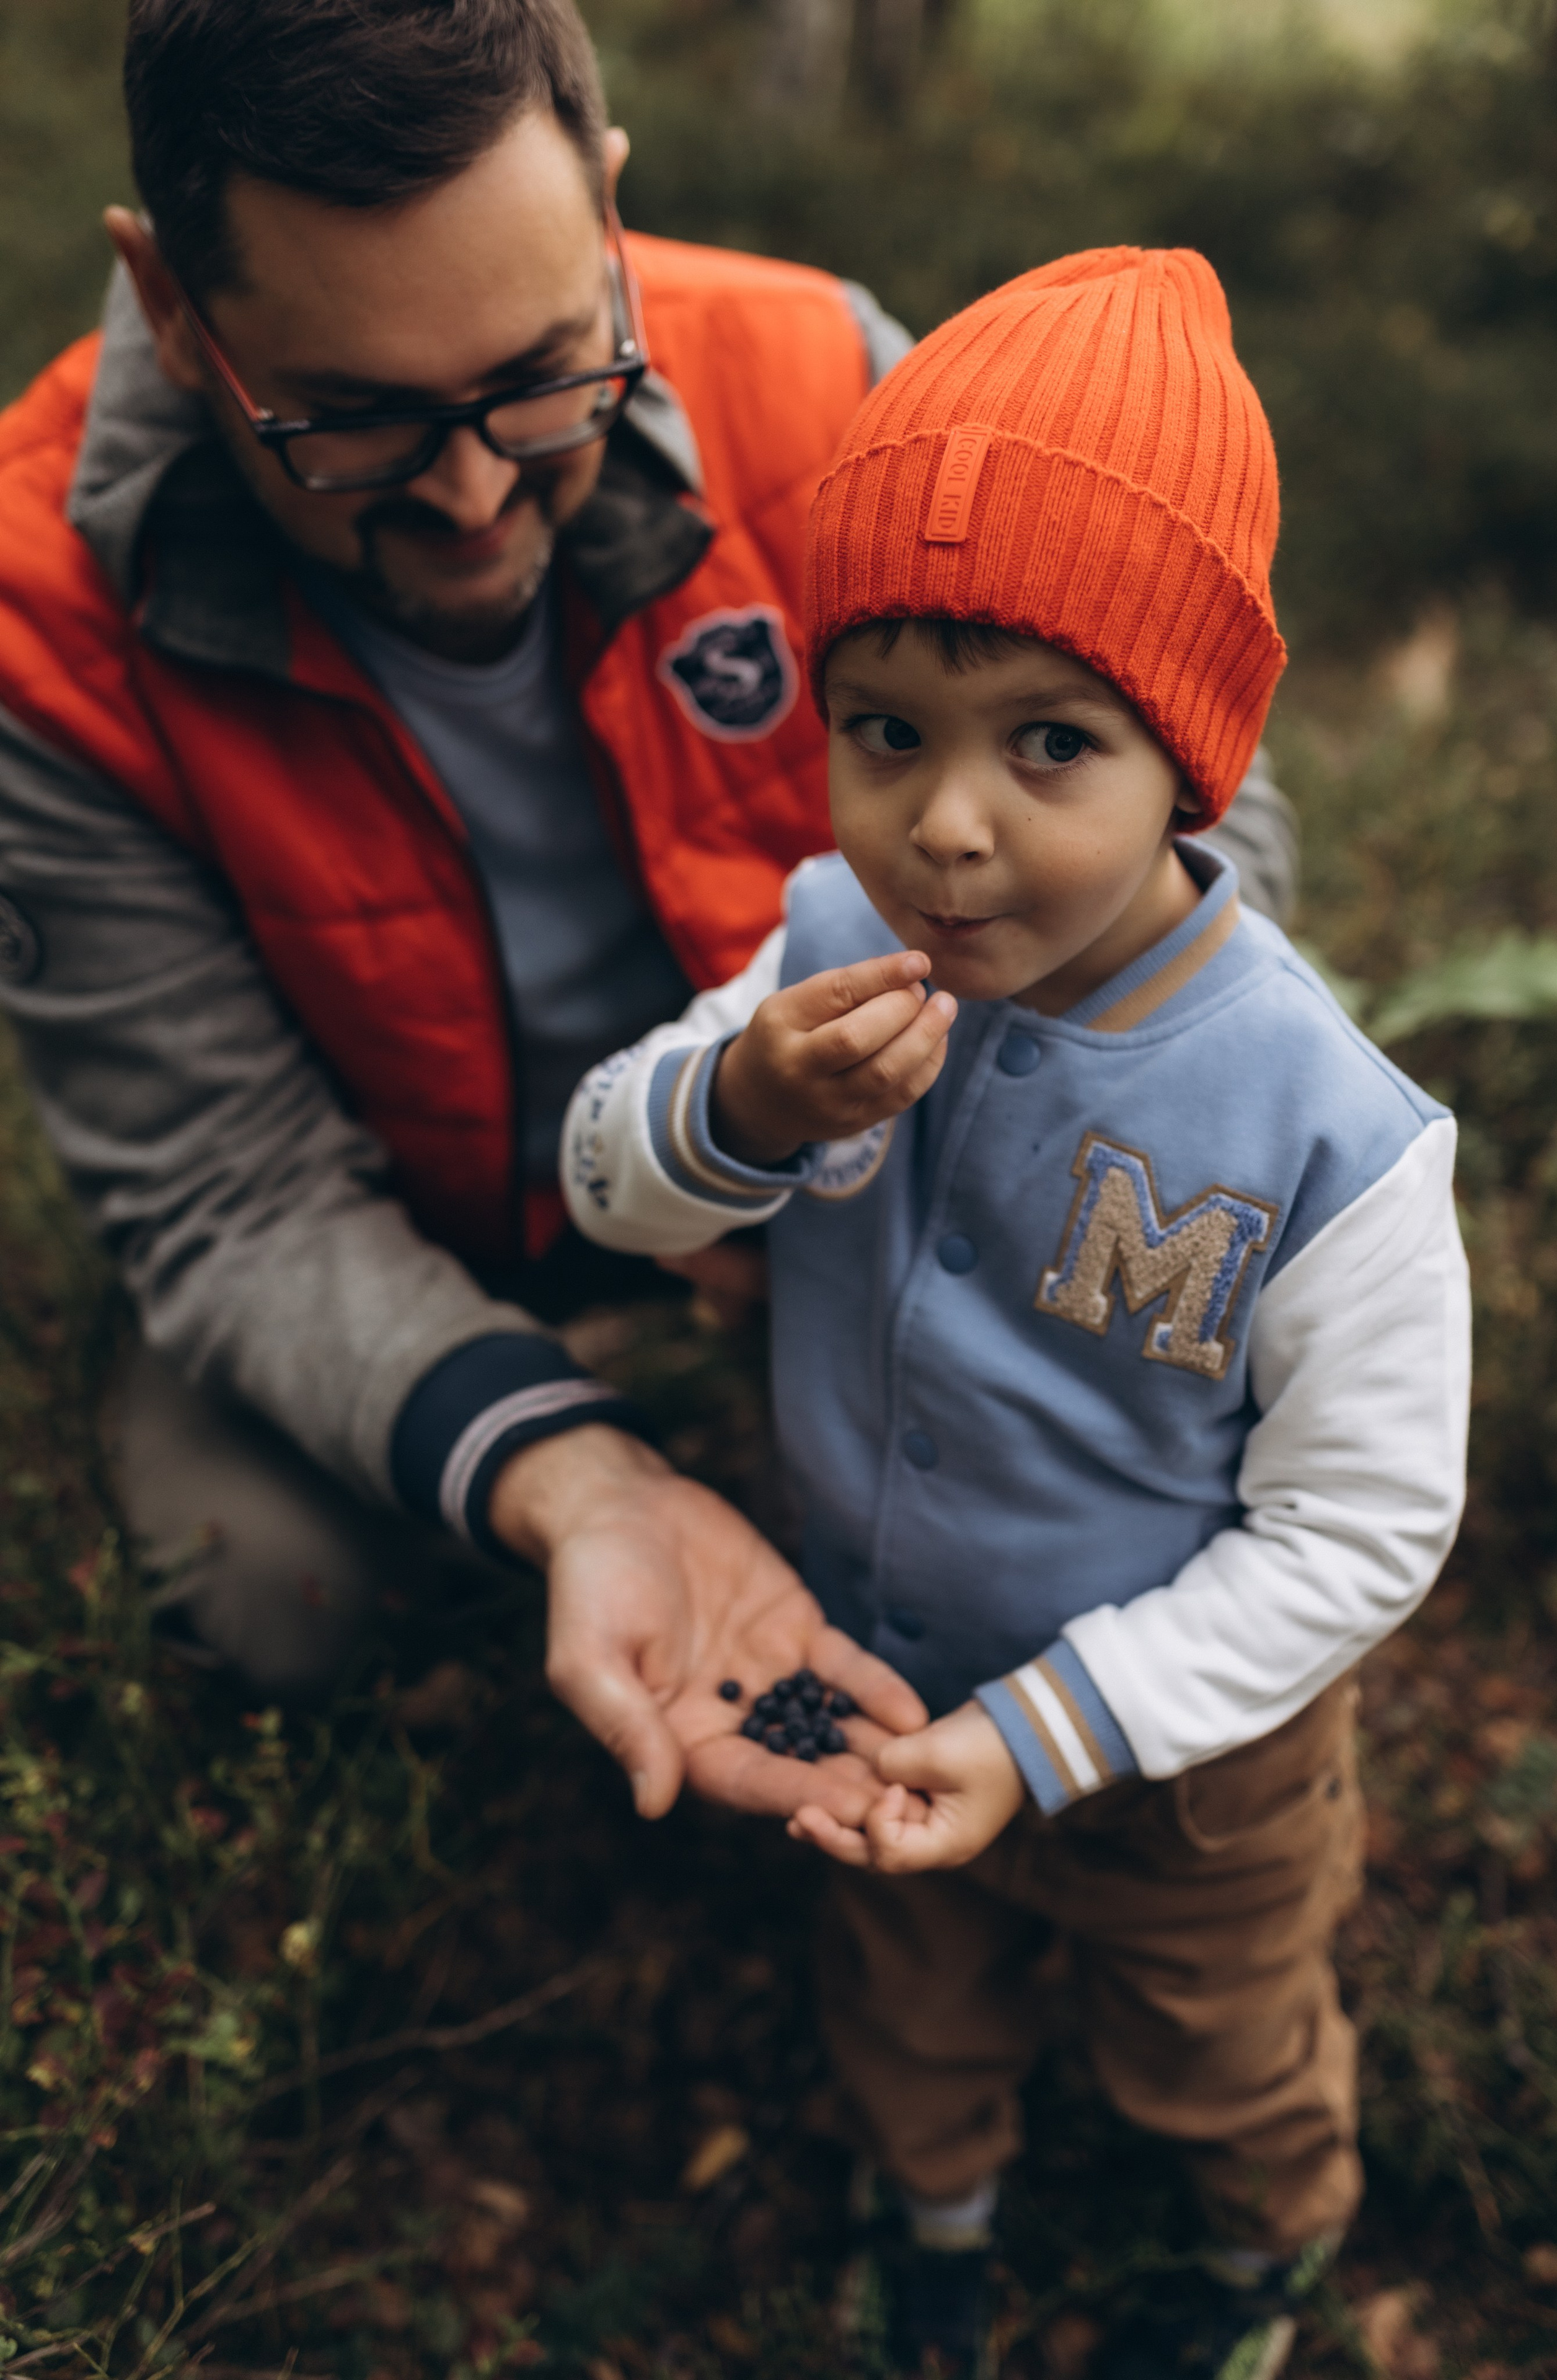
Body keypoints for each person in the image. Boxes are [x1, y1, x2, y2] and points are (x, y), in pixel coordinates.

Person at [0, 1, 1293, 1830]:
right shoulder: (36, 623)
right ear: (166, 300)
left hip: (862, 1191)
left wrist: (1025, 1170)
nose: (470, 497)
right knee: (266, 1592)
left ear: (607, 202)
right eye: (353, 423)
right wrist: (573, 1476)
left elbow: (1214, 806)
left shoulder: (821, 382)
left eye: (546, 378)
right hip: (415, 1225)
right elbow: (229, 1191)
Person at [560, 248, 1470, 2379]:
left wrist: (1049, 1735)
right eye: (885, 732)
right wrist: (739, 1099)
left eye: (1049, 744)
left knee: (1215, 2038)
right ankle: (937, 2216)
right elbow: (607, 1174)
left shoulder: (1329, 1133)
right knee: (906, 1991)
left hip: (1185, 1773)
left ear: (1193, 764)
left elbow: (1363, 1528)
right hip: (872, 1674)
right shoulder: (830, 948)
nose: (944, 826)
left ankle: (1262, 2252)